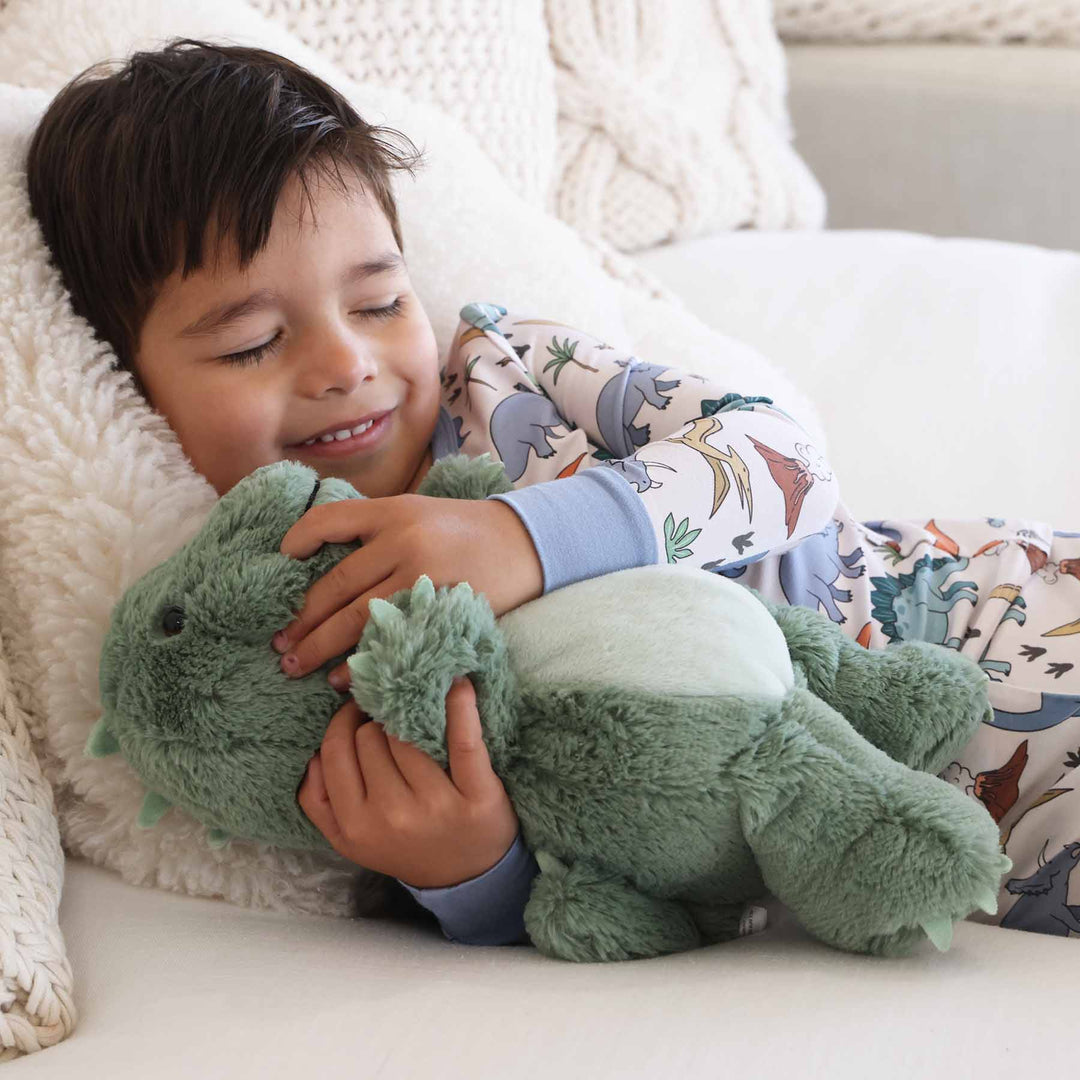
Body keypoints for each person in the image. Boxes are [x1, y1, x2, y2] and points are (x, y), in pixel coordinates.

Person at [26, 39, 1080, 947]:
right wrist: (470, 876)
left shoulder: (506, 371)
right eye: (255, 341)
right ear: (124, 377)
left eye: (381, 298)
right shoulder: (275, 633)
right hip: (914, 831)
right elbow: (592, 861)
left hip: (987, 621)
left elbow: (786, 459)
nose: (346, 362)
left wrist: (528, 535)